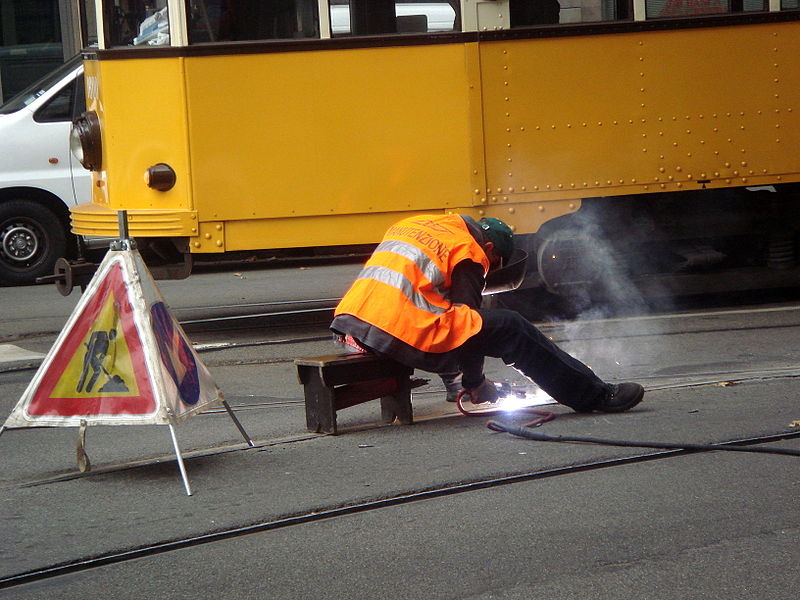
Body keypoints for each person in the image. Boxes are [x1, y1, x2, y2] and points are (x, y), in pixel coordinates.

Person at [330, 214, 644, 412]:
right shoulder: (469, 251)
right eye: (493, 264)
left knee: (456, 321)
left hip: (351, 326)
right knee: (511, 327)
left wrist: (460, 384)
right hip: (397, 332)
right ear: (490, 248)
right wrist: (477, 384)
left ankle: (462, 386)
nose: (487, 271)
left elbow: (429, 310)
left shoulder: (413, 225)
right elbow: (465, 327)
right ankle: (595, 396)